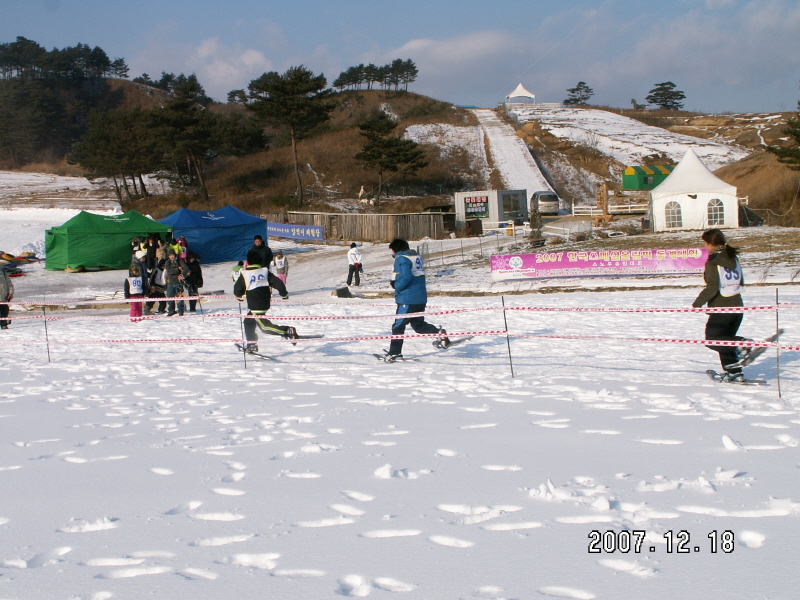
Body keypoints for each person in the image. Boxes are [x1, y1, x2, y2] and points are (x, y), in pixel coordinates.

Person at [692, 228, 749, 382]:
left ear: (711, 244)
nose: (704, 246)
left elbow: (712, 287)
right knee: (725, 341)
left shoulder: (713, 261)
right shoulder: (733, 257)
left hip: (722, 308)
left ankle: (742, 344)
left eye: (705, 243)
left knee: (713, 339)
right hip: (738, 307)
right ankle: (734, 373)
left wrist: (697, 304)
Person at [381, 238, 450, 362]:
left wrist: (396, 286)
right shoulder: (415, 257)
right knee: (418, 325)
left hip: (407, 299)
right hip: (420, 298)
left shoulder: (401, 258)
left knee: (398, 326)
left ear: (396, 249)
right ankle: (440, 333)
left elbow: (406, 277)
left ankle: (395, 353)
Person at [233, 249, 299, 354]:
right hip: (264, 302)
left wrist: (238, 296)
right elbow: (278, 282)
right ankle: (252, 344)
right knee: (249, 321)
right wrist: (284, 294)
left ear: (248, 262)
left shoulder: (245, 273)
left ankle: (287, 330)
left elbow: (237, 288)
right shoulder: (264, 271)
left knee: (264, 327)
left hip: (255, 304)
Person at [246, 235, 288, 299]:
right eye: (256, 241)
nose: (257, 243)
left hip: (264, 270)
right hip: (254, 271)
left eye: (259, 241)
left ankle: (282, 293)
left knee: (273, 282)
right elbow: (248, 260)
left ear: (261, 241)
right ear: (254, 242)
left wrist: (269, 263)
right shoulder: (251, 250)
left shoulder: (266, 249)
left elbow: (270, 258)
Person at [159, 249, 187, 316]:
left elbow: (186, 269)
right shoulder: (167, 262)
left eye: (173, 255)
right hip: (170, 282)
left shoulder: (180, 261)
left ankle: (181, 310)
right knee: (170, 297)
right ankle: (171, 310)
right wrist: (177, 269)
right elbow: (169, 271)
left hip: (178, 282)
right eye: (170, 255)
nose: (172, 257)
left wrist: (181, 274)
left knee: (179, 297)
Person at [0, 265, 13, 330]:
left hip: (3, 297)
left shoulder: (3, 272)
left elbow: (9, 283)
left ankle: (3, 324)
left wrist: (10, 292)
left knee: (5, 311)